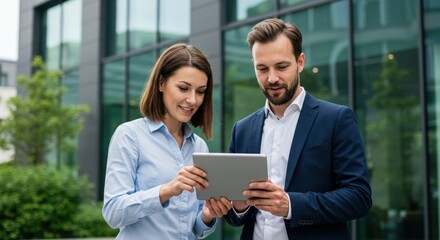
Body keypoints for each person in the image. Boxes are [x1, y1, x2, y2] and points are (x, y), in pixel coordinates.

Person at [224, 18, 372, 240]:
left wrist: (291, 205)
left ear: (300, 62)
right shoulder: (242, 129)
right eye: (262, 69)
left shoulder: (336, 119)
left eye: (282, 66)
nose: (272, 78)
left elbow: (359, 198)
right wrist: (239, 206)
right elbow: (234, 217)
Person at [102, 43, 232, 240]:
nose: (192, 100)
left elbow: (193, 229)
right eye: (183, 88)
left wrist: (207, 216)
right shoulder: (129, 136)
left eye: (200, 91)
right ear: (161, 83)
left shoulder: (199, 147)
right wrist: (167, 190)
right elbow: (113, 213)